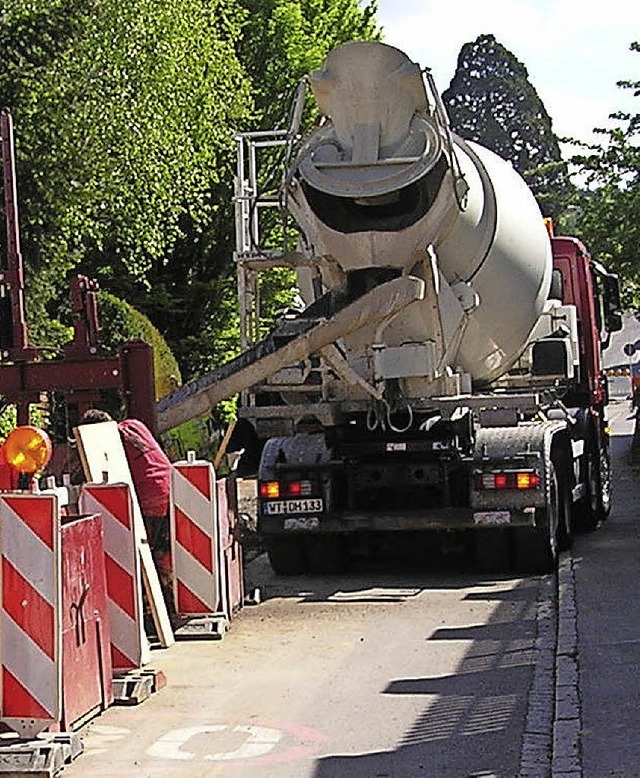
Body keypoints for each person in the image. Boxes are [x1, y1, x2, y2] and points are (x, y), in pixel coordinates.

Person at [81, 409, 174, 599]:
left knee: (147, 551)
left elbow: (106, 476)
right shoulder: (134, 425)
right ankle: (169, 592)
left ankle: (153, 599)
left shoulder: (108, 441)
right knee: (165, 546)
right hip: (172, 487)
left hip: (148, 496)